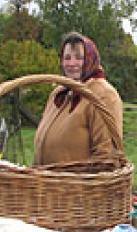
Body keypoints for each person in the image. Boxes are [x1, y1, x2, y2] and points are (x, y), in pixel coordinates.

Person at [33, 32, 124, 165]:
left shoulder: (103, 95)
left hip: (77, 184)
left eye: (79, 57)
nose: (72, 63)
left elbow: (106, 154)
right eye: (67, 58)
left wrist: (84, 183)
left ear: (90, 59)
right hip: (47, 184)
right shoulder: (58, 94)